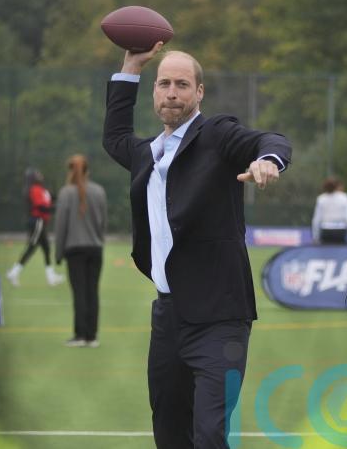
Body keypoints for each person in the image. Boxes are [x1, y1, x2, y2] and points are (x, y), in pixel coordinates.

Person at [103, 42, 291, 449]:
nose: (172, 92)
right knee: (170, 434)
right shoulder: (147, 153)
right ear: (154, 92)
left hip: (220, 318)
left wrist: (269, 161)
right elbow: (114, 135)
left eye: (183, 84)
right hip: (168, 316)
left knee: (209, 435)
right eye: (164, 84)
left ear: (199, 92)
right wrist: (131, 65)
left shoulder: (216, 134)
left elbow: (268, 139)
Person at [53, 155, 107, 347]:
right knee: (92, 292)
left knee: (80, 293)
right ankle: (92, 336)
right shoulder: (99, 191)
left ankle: (80, 335)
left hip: (74, 250)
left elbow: (61, 226)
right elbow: (102, 224)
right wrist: (98, 241)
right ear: (88, 170)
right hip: (95, 249)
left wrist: (58, 253)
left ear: (70, 171)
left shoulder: (66, 193)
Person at [6, 168, 65, 287]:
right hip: (37, 222)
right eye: (37, 174)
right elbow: (41, 207)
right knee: (32, 247)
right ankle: (14, 272)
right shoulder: (34, 190)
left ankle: (51, 277)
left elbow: (52, 198)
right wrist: (57, 208)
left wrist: (64, 196)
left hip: (42, 222)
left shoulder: (42, 189)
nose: (40, 175)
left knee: (46, 248)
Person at [312, 176, 347, 244]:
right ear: (337, 186)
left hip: (326, 231)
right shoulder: (344, 197)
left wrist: (315, 237)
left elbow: (316, 220)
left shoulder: (321, 199)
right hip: (340, 232)